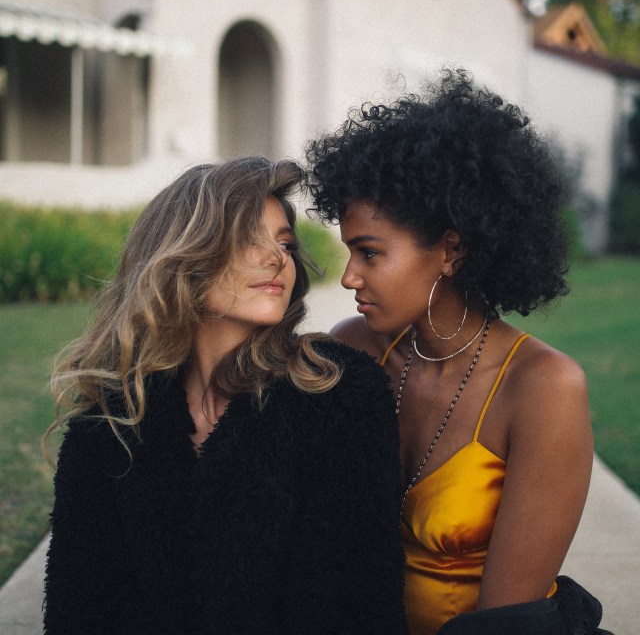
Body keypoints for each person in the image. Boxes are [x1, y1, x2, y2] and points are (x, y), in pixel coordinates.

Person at [42, 157, 409, 635]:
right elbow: (81, 609)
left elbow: (356, 602)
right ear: (183, 254)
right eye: (247, 239)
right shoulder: (110, 424)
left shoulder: (337, 393)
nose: (277, 257)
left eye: (284, 242)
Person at [306, 71, 609, 635]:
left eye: (369, 254)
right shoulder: (353, 352)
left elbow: (506, 622)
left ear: (450, 250)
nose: (349, 277)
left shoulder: (542, 387)